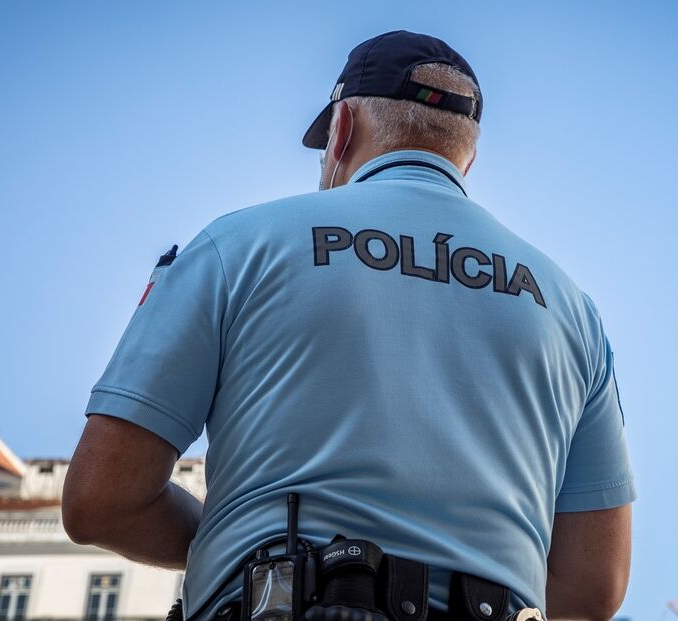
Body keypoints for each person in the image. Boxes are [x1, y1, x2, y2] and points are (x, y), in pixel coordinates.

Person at [62, 30, 635, 621]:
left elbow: (102, 502)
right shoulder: (570, 309)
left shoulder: (237, 246)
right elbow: (593, 588)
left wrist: (239, 540)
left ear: (341, 130)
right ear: (468, 155)